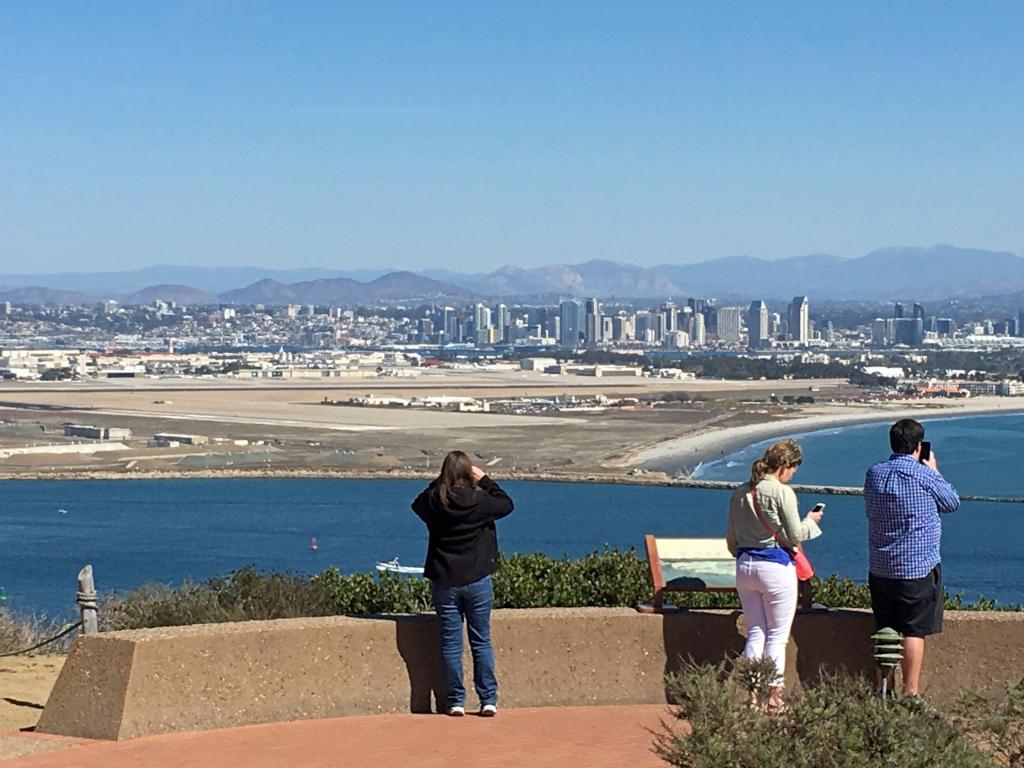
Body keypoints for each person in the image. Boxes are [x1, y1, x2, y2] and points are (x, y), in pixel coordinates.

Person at [412, 450, 514, 717]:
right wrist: (486, 481)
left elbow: (417, 503)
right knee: (481, 640)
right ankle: (488, 699)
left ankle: (456, 701)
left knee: (451, 643)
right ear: (469, 472)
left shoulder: (436, 501)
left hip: (445, 581)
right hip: (478, 579)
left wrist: (440, 481)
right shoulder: (480, 501)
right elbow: (506, 504)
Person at [726, 438, 824, 711]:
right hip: (775, 568)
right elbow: (795, 535)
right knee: (777, 636)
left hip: (745, 567)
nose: (793, 474)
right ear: (784, 465)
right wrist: (811, 523)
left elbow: (731, 541)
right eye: (793, 468)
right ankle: (774, 696)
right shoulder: (782, 493)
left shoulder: (740, 493)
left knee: (756, 631)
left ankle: (751, 696)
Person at [864, 419, 959, 697]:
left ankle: (883, 689)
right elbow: (952, 502)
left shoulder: (875, 474)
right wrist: (935, 471)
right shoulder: (923, 475)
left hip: (881, 566)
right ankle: (911, 693)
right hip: (917, 568)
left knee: (885, 629)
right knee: (913, 631)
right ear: (919, 446)